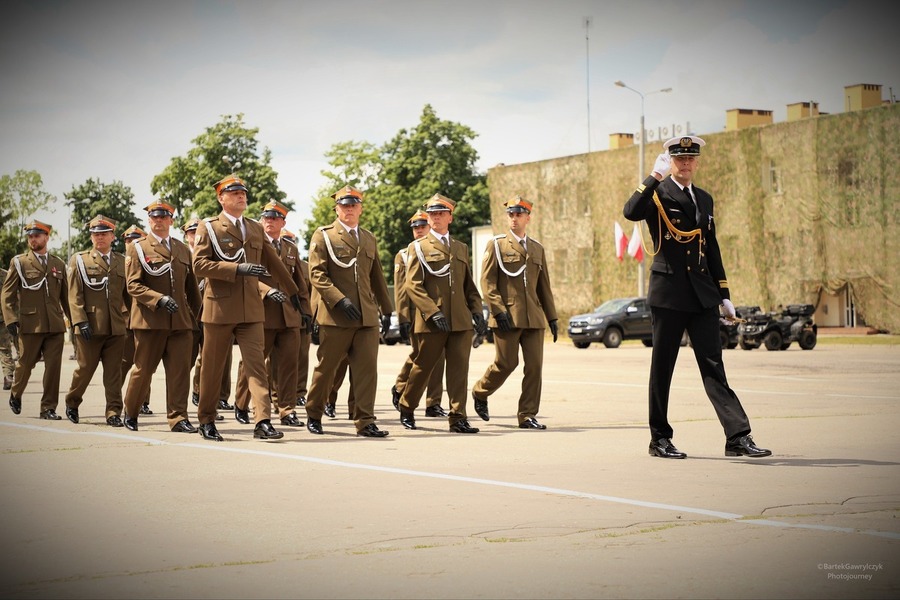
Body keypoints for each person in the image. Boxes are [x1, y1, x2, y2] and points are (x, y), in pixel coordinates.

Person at [623, 135, 772, 459]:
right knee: (662, 369)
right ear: (670, 161)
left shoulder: (704, 198)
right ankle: (659, 439)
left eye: (691, 158)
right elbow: (631, 212)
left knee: (713, 366)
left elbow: (711, 248)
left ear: (697, 162)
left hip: (702, 295)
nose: (686, 163)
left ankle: (737, 436)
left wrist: (724, 294)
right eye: (679, 158)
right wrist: (654, 176)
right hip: (669, 294)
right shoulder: (658, 193)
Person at [192, 174, 300, 442]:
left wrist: (294, 293)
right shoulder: (209, 227)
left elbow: (274, 262)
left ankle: (262, 421)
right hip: (219, 310)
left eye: (243, 192)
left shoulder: (254, 227)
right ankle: (206, 419)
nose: (241, 196)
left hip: (251, 310)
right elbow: (199, 265)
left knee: (257, 368)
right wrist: (236, 269)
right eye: (234, 193)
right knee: (213, 369)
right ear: (221, 198)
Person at [304, 184, 393, 438]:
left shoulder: (368, 238)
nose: (349, 209)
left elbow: (377, 277)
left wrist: (387, 310)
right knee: (327, 369)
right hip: (335, 316)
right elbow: (317, 274)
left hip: (366, 316)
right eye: (344, 206)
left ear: (361, 209)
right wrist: (339, 300)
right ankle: (314, 413)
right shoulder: (324, 236)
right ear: (337, 209)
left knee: (367, 371)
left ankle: (365, 421)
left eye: (354, 205)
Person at [397, 193, 487, 433]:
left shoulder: (460, 247)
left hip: (460, 321)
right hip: (432, 322)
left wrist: (477, 311)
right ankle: (407, 406)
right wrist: (432, 312)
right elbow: (412, 285)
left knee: (459, 371)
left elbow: (468, 285)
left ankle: (458, 418)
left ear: (450, 217)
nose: (436, 217)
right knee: (423, 367)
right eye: (432, 214)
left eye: (440, 213)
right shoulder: (418, 247)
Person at [471, 195, 559, 429]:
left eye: (519, 214)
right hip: (507, 317)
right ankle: (480, 391)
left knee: (534, 368)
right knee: (506, 364)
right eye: (511, 214)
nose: (514, 218)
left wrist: (552, 317)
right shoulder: (497, 245)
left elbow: (544, 286)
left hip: (533, 318)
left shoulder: (537, 248)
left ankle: (527, 414)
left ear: (528, 217)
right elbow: (487, 282)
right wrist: (498, 310)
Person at [122, 201, 202, 433]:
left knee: (179, 373)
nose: (159, 221)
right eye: (154, 217)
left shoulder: (181, 249)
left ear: (171, 220)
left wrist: (201, 318)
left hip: (180, 323)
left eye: (163, 217)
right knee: (143, 370)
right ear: (149, 220)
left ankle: (178, 418)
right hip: (150, 322)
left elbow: (192, 290)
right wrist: (159, 299)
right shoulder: (137, 248)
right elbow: (133, 285)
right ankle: (131, 412)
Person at [232, 200, 311, 429]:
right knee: (253, 364)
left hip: (289, 315)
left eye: (275, 218)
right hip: (261, 313)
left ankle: (287, 410)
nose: (270, 221)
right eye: (266, 217)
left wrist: (306, 312)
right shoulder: (252, 245)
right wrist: (266, 291)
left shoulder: (290, 248)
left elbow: (299, 284)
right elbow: (247, 277)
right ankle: (241, 404)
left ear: (283, 222)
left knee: (289, 365)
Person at [63, 215, 131, 425]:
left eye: (104, 234)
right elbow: (74, 295)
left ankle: (113, 412)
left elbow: (129, 295)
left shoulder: (122, 261)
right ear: (91, 237)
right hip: (89, 327)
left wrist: (133, 321)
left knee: (114, 373)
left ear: (112, 236)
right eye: (95, 234)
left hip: (116, 327)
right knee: (85, 369)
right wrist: (80, 321)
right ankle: (72, 402)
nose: (99, 237)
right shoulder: (80, 260)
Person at [2, 219, 71, 419]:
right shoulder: (20, 262)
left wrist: (75, 321)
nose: (33, 239)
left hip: (55, 325)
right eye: (30, 236)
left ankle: (48, 408)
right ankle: (16, 393)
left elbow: (66, 298)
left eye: (37, 236)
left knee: (53, 369)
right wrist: (10, 319)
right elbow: (7, 295)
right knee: (25, 364)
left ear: (47, 237)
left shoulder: (58, 264)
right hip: (30, 325)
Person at [391, 209, 446, 417]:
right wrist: (403, 318)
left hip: (437, 311)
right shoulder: (405, 254)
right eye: (415, 228)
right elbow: (401, 290)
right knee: (420, 355)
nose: (419, 230)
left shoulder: (440, 249)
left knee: (438, 357)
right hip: (416, 314)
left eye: (422, 226)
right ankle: (400, 386)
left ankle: (433, 403)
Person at [183, 217, 231, 420]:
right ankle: (179, 406)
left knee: (211, 361)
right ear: (186, 236)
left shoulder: (212, 252)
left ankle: (208, 400)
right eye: (191, 233)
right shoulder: (182, 255)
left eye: (197, 232)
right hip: (188, 317)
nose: (195, 236)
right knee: (184, 363)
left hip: (212, 314)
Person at [119, 224, 155, 416]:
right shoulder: (118, 262)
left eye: (135, 240)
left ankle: (142, 402)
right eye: (128, 240)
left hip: (145, 319)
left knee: (145, 364)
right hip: (125, 321)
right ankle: (115, 401)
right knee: (124, 364)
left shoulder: (148, 261)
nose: (131, 243)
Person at [0, 267, 16, 391]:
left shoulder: (6, 275)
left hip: (3, 318)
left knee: (4, 348)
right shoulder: (6, 275)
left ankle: (8, 375)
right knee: (4, 348)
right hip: (3, 317)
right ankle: (8, 375)